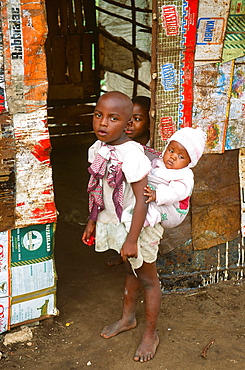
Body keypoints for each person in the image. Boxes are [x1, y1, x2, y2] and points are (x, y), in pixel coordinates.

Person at [82, 91, 164, 362]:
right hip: (117, 224)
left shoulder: (132, 155)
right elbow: (97, 188)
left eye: (113, 118)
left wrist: (132, 239)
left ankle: (151, 333)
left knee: (149, 280)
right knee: (131, 269)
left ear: (128, 123)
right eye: (98, 115)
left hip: (137, 226)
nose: (102, 123)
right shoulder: (97, 148)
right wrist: (92, 220)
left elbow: (142, 200)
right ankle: (128, 318)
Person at [105, 95, 153, 267]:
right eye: (128, 118)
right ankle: (122, 252)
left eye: (137, 119)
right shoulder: (121, 144)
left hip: (145, 198)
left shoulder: (152, 148)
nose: (130, 123)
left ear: (149, 123)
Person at [144, 127, 206, 228]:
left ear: (189, 162)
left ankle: (139, 224)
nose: (173, 156)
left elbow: (176, 193)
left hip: (172, 210)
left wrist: (157, 194)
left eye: (181, 157)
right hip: (157, 197)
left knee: (152, 211)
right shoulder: (158, 162)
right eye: (171, 150)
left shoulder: (185, 176)